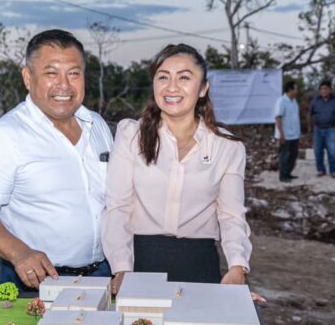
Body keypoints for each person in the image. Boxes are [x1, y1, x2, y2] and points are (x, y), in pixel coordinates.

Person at [0, 29, 113, 290]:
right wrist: (19, 253)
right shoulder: (3, 136)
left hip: (103, 274)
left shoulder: (97, 125)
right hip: (36, 281)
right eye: (51, 73)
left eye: (74, 73)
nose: (64, 85)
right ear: (28, 77)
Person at [102, 43, 252, 292]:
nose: (172, 87)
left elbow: (231, 215)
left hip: (199, 263)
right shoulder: (131, 134)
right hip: (139, 261)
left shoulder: (227, 147)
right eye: (163, 77)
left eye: (184, 77)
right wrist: (121, 267)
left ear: (203, 88)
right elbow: (117, 206)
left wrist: (237, 268)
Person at [308, 79, 335, 178]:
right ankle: (320, 170)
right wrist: (310, 128)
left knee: (332, 151)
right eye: (321, 89)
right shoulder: (315, 100)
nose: (323, 91)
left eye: (325, 89)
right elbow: (310, 113)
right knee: (317, 150)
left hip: (331, 129)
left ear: (330, 89)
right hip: (317, 129)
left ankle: (334, 171)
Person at [274, 80, 301, 182]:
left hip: (294, 135)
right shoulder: (281, 101)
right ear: (290, 90)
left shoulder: (294, 101)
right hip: (285, 135)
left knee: (293, 155)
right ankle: (283, 176)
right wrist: (281, 134)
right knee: (284, 156)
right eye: (296, 89)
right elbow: (278, 118)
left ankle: (288, 173)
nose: (297, 91)